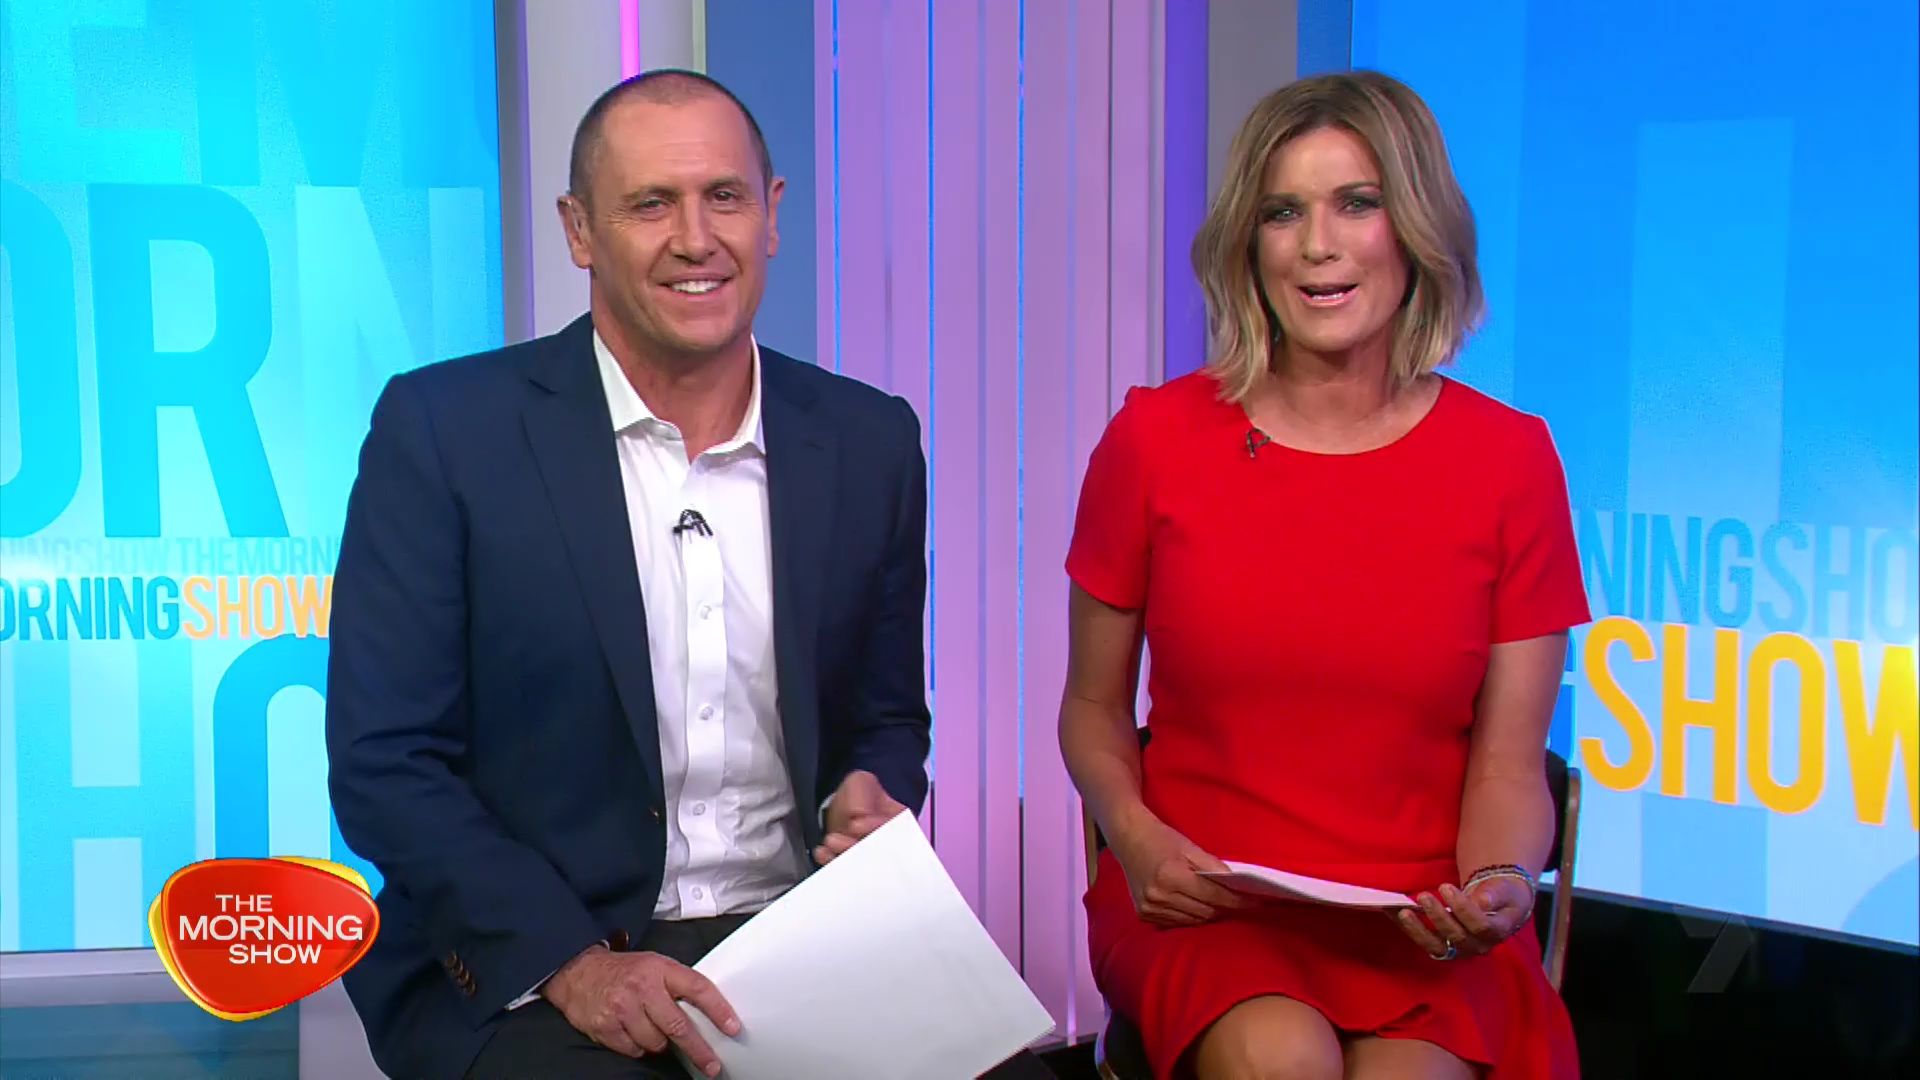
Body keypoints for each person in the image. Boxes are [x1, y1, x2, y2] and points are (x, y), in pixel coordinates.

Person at [326, 70, 942, 1079]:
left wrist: (868, 794)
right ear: (579, 231)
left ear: (772, 214)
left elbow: (887, 717)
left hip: (797, 944)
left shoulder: (870, 439)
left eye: (724, 197)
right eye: (651, 204)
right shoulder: (444, 433)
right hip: (542, 959)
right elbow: (386, 763)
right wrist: (574, 966)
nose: (696, 239)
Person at [1059, 71, 1588, 1080]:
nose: (1317, 246)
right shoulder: (1153, 441)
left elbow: (1509, 765)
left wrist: (1502, 884)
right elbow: (1091, 709)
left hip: (1419, 912)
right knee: (1280, 1060)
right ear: (1248, 244)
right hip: (1210, 899)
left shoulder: (1510, 461)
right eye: (1283, 213)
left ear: (1415, 227)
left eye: (1357, 203)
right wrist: (1133, 837)